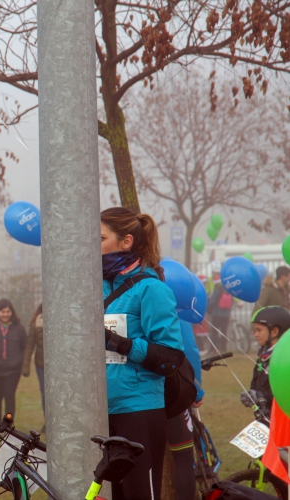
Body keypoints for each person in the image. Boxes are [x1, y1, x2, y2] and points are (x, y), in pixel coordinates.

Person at [100, 207, 184, 500]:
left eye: (99, 238)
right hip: (97, 414)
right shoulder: (89, 288)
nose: (92, 246)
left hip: (138, 412)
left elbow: (171, 358)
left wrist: (120, 343)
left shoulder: (151, 288)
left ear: (126, 241)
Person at [166, 319, 206, 500]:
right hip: (171, 395)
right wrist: (196, 391)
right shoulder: (173, 310)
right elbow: (190, 352)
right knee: (183, 458)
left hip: (133, 398)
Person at [239, 306, 290, 417]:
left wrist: (262, 397)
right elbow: (256, 385)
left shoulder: (284, 360)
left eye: (259, 330)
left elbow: (283, 394)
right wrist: (251, 395)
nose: (255, 334)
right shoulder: (262, 359)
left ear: (274, 332)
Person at [22, 303, 46, 428]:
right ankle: (48, 421)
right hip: (41, 365)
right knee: (44, 393)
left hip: (59, 368)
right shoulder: (35, 323)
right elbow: (30, 345)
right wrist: (26, 367)